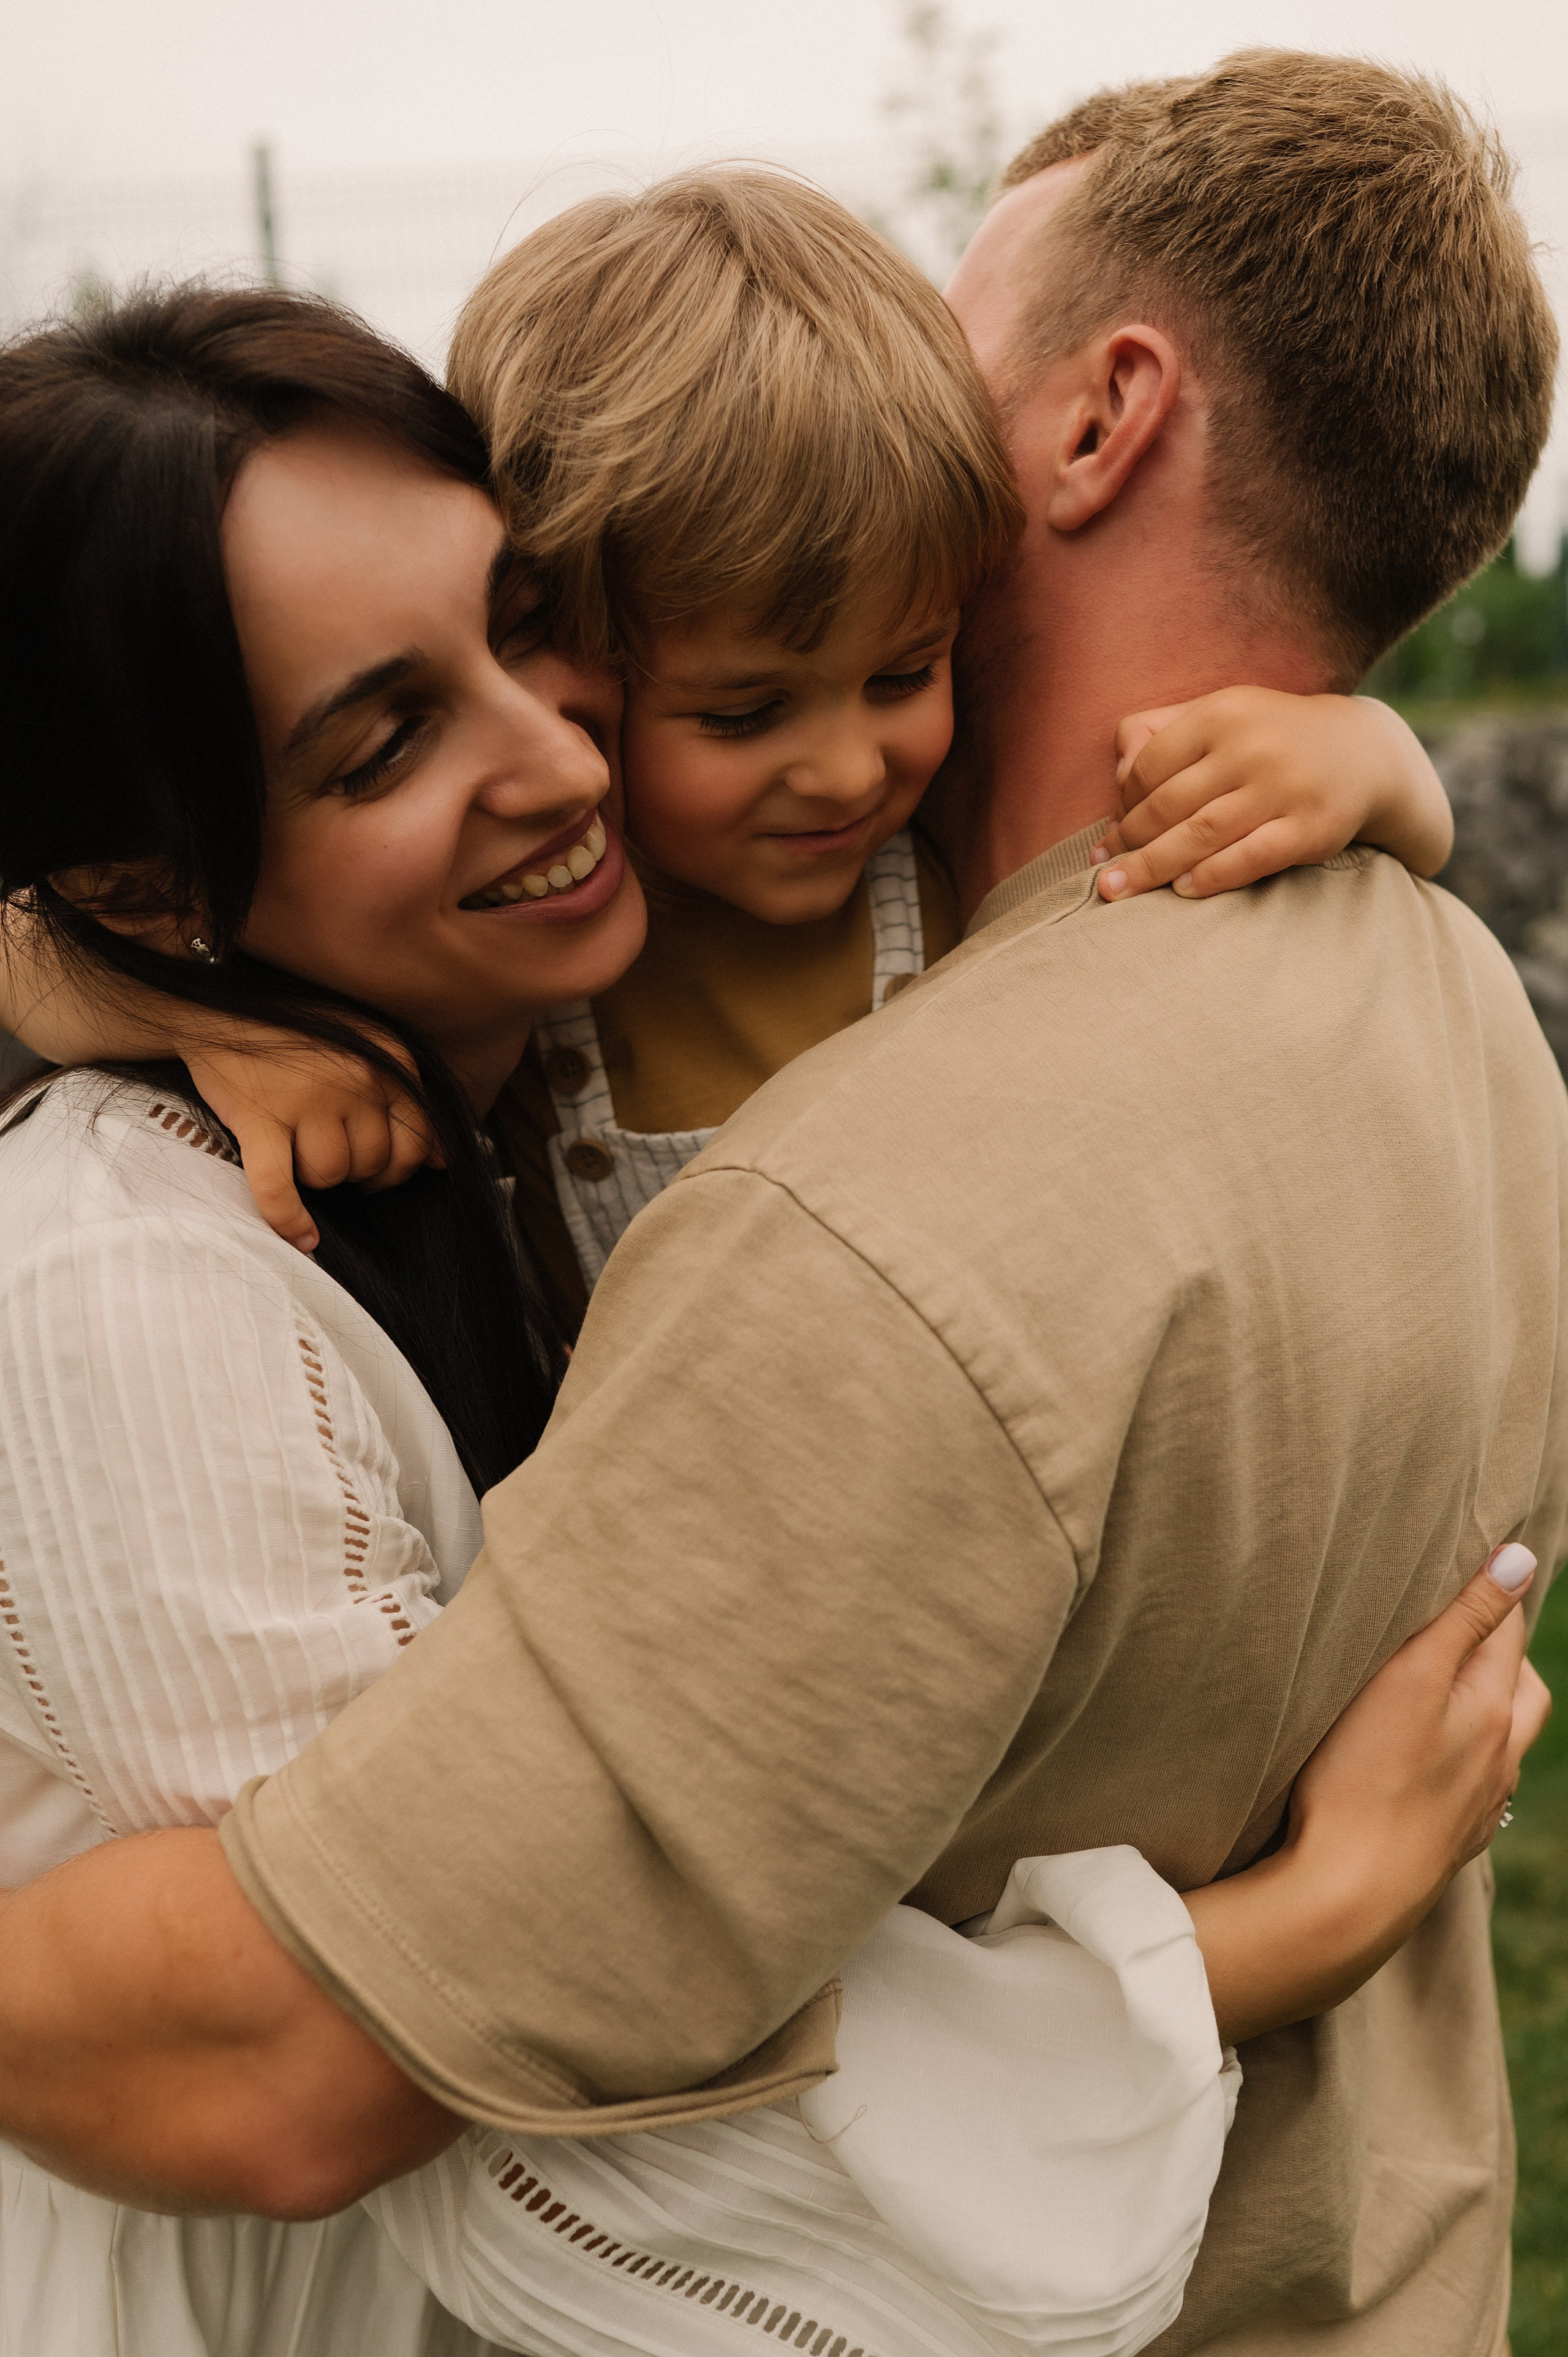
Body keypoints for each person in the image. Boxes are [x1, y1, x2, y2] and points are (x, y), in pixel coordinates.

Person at [0, 46, 1562, 2357]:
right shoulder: (1452, 1018)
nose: (561, 756)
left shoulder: (896, 1207)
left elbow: (325, 2048)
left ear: (1104, 414)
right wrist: (121, 977)